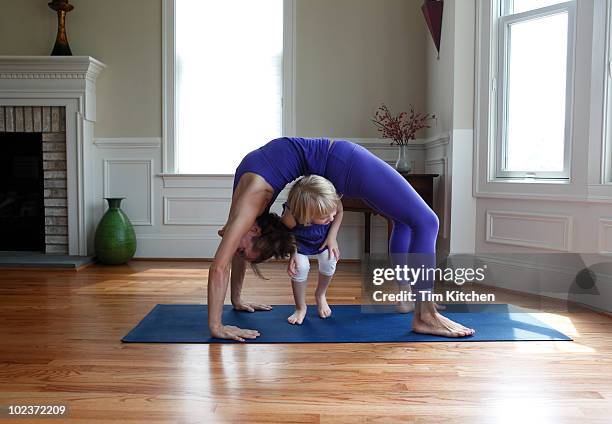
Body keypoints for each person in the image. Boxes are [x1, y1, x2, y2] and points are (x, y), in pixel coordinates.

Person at [208, 137, 475, 341]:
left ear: (253, 231)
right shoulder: (248, 211)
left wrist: (216, 326)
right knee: (405, 221)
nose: (235, 248)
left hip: (346, 162)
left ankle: (426, 314)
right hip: (338, 166)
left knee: (427, 222)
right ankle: (410, 299)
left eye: (242, 249)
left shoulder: (249, 205)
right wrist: (237, 299)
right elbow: (231, 253)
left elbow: (219, 265)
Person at [281, 176, 343, 324]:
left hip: (323, 241)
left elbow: (340, 212)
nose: (331, 217)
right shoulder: (290, 217)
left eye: (332, 212)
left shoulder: (331, 204)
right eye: (324, 217)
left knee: (330, 260)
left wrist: (332, 238)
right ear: (307, 216)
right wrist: (293, 253)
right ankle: (300, 307)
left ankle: (320, 295)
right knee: (300, 268)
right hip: (300, 244)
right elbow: (286, 233)